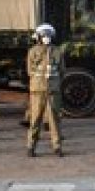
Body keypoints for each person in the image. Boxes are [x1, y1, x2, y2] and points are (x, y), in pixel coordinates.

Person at [26, 24, 65, 157]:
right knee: (35, 119)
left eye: (48, 36)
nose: (46, 38)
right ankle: (31, 146)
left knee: (54, 119)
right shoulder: (33, 51)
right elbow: (29, 70)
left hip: (53, 90)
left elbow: (62, 70)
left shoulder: (57, 51)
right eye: (44, 36)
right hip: (38, 90)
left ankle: (57, 146)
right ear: (38, 37)